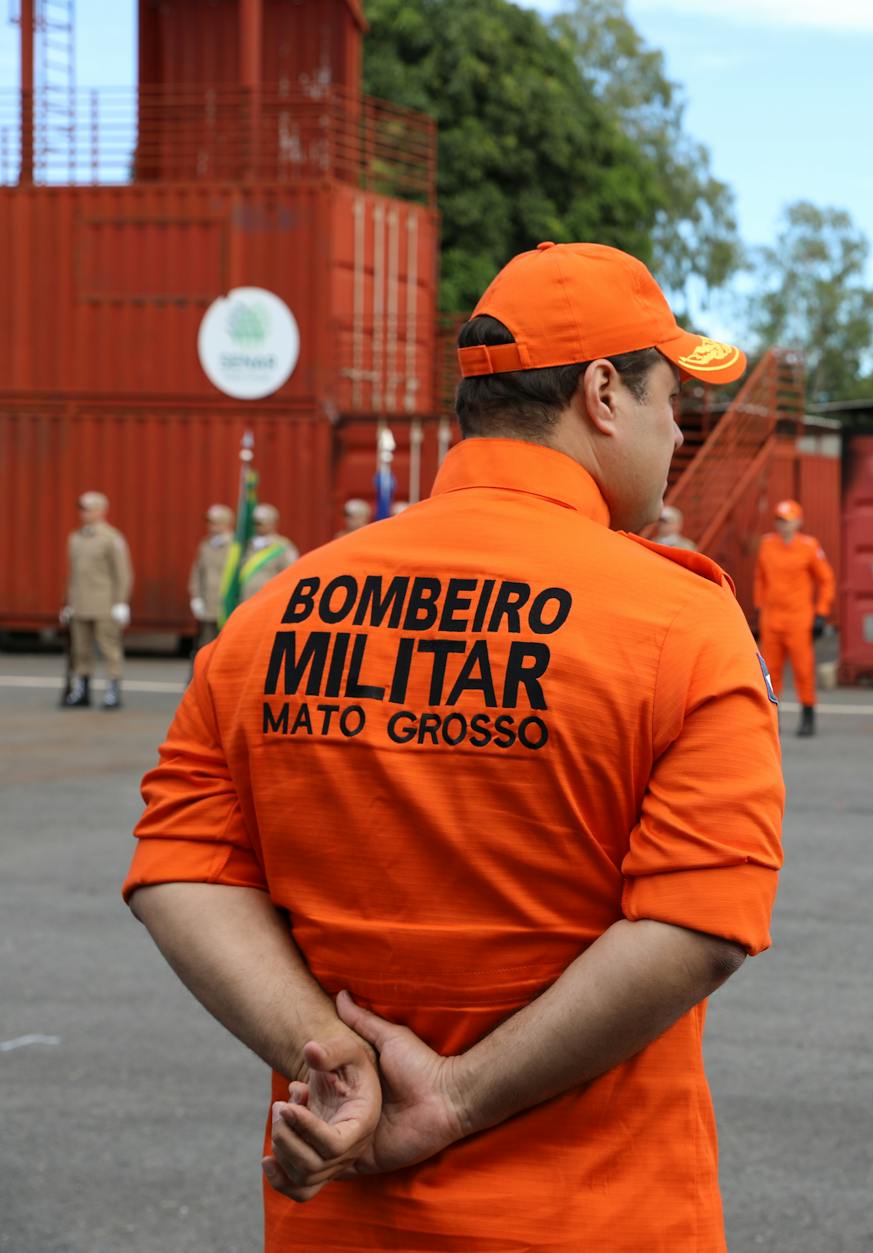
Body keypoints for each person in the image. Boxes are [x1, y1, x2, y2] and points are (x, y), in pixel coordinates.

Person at [122, 240, 783, 1250]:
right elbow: (696, 927)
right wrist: (457, 1097)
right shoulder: (682, 625)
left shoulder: (269, 617)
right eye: (669, 399)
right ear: (603, 395)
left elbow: (178, 867)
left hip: (341, 1216)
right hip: (601, 1215)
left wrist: (334, 1056)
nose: (677, 430)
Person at [754, 499, 835, 738]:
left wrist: (821, 612)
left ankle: (808, 716)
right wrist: (759, 609)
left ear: (798, 522)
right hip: (771, 619)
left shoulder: (809, 547)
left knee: (803, 671)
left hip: (799, 619)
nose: (783, 526)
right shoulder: (767, 545)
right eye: (780, 521)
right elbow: (760, 578)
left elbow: (826, 580)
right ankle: (771, 719)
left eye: (788, 521)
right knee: (770, 673)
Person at [60, 490, 133, 710]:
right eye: (81, 508)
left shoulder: (112, 538)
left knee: (109, 648)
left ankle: (112, 690)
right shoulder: (75, 538)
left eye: (88, 508)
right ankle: (82, 689)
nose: (84, 513)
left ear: (101, 511)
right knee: (80, 650)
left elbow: (122, 572)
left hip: (104, 603)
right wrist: (67, 603)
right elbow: (73, 575)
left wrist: (121, 602)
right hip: (80, 603)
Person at [188, 504, 234, 671]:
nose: (211, 526)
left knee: (227, 647)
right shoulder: (206, 544)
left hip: (227, 606)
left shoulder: (236, 546)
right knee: (204, 646)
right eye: (209, 522)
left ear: (226, 523)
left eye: (215, 522)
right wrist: (196, 596)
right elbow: (197, 571)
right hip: (208, 602)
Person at [236, 504, 301, 605]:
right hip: (246, 600)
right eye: (255, 523)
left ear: (272, 523)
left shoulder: (282, 546)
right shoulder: (246, 545)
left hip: (269, 600)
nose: (257, 526)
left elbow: (291, 574)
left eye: (260, 523)